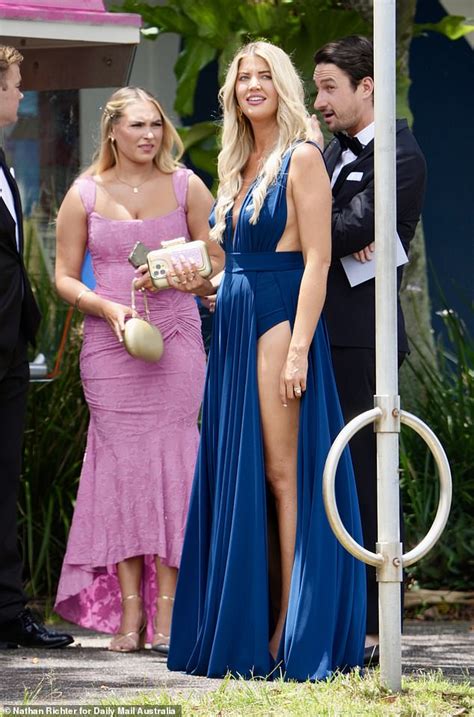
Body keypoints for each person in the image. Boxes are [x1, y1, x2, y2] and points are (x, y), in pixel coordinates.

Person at [166, 40, 366, 681]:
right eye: (241, 77)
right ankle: (252, 619)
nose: (252, 85)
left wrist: (300, 348)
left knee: (283, 477)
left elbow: (315, 259)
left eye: (263, 75)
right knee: (238, 473)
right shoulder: (238, 163)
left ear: (282, 84)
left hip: (280, 321)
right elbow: (229, 267)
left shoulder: (303, 157)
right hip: (234, 319)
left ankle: (291, 628)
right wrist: (184, 279)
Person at [54, 86, 223, 653]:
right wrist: (105, 306)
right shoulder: (82, 194)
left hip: (176, 341)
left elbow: (217, 262)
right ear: (112, 131)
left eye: (156, 125)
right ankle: (130, 621)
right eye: (137, 126)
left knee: (175, 471)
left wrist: (184, 274)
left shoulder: (186, 186)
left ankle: (171, 618)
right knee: (123, 475)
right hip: (109, 350)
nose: (150, 135)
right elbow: (64, 277)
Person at [312, 35, 427, 663]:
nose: (320, 99)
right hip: (316, 332)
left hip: (366, 340)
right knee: (323, 473)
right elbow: (330, 220)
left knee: (366, 475)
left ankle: (381, 625)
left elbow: (359, 225)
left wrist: (328, 221)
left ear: (368, 87)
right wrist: (333, 219)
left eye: (331, 86)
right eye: (319, 86)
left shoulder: (401, 155)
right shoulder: (331, 150)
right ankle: (330, 611)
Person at [0, 45, 73, 649]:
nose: (20, 94)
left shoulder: (1, 161)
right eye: (14, 84)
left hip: (8, 351)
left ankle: (7, 613)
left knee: (4, 482)